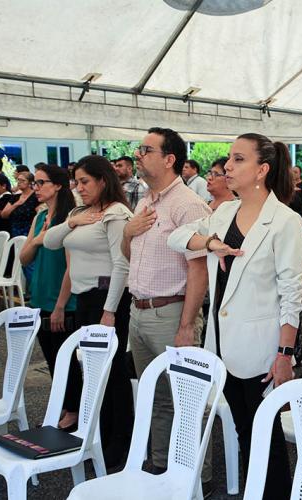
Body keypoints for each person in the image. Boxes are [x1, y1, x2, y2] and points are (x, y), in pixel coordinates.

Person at [168, 133, 302, 499]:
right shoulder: (223, 212)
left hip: (262, 347)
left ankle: (274, 493)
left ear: (262, 169)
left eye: (238, 159)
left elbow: (293, 294)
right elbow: (176, 237)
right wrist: (211, 243)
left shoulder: (284, 220)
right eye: (229, 158)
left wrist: (286, 355)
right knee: (245, 432)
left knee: (267, 436)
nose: (227, 166)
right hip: (220, 341)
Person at [120, 127, 212, 485]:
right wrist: (128, 232)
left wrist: (187, 325)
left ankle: (193, 479)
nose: (138, 154)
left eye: (146, 149)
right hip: (139, 310)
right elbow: (129, 256)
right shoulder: (145, 202)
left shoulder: (187, 204)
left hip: (171, 311)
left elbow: (198, 269)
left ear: (169, 159)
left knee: (185, 399)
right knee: (154, 394)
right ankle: (161, 466)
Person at [43, 154, 134, 468]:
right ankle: (100, 434)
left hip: (106, 300)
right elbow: (51, 242)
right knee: (93, 373)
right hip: (83, 300)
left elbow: (122, 264)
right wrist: (71, 221)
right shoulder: (80, 212)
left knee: (114, 373)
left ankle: (120, 440)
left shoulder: (116, 213)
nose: (78, 187)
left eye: (84, 181)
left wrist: (109, 311)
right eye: (76, 181)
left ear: (103, 180)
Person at [20, 164, 80, 431]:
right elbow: (23, 257)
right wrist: (36, 240)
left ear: (57, 185)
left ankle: (75, 408)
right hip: (40, 295)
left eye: (41, 182)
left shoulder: (70, 218)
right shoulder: (41, 216)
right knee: (52, 358)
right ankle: (65, 405)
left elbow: (71, 266)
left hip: (61, 300)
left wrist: (60, 306)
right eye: (35, 182)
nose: (36, 187)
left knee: (64, 357)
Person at [1, 171, 39, 237]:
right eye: (18, 180)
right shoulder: (15, 197)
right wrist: (16, 204)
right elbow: (3, 214)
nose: (19, 182)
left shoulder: (36, 196)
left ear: (30, 183)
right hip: (14, 230)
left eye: (23, 180)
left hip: (30, 232)